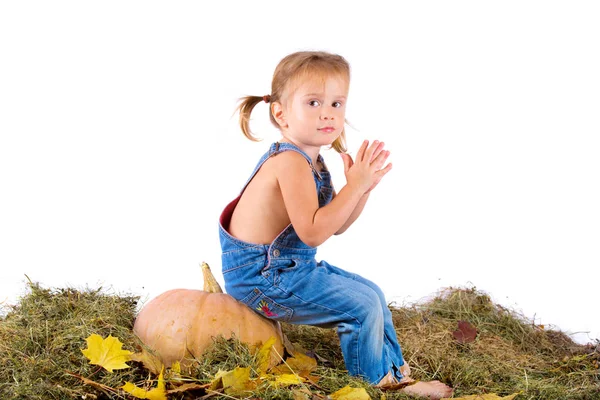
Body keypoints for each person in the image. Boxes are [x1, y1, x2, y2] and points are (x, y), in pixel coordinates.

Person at [218, 51, 452, 399]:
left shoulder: (313, 162)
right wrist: (354, 187)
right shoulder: (289, 162)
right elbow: (313, 232)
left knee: (372, 293)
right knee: (361, 308)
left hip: (288, 269)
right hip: (262, 279)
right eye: (313, 102)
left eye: (337, 103)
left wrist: (362, 189)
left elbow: (336, 226)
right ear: (280, 113)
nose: (327, 112)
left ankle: (396, 373)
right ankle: (377, 384)